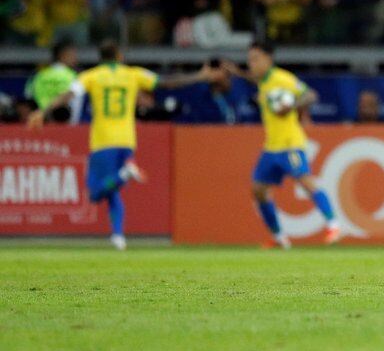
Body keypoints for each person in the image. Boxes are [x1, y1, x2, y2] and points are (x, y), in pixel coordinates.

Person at [28, 40, 215, 250]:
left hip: (102, 140)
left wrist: (42, 111)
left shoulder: (91, 76)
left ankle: (124, 174)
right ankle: (118, 236)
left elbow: (68, 95)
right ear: (119, 56)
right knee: (112, 192)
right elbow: (167, 82)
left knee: (94, 193)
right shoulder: (132, 74)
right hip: (127, 140)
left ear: (100, 58)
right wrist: (200, 76)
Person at [222, 41, 342, 249]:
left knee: (304, 181)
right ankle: (279, 237)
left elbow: (311, 95)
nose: (252, 64)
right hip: (271, 146)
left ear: (268, 59)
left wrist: (290, 107)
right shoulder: (264, 81)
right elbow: (255, 78)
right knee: (258, 190)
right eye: (250, 60)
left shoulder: (283, 79)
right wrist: (238, 72)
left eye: (255, 59)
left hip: (290, 143)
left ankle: (333, 224)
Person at [24, 40, 81, 122]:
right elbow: (67, 97)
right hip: (67, 128)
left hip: (40, 126)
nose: (76, 59)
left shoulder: (38, 76)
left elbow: (28, 97)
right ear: (63, 55)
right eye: (73, 55)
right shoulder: (74, 77)